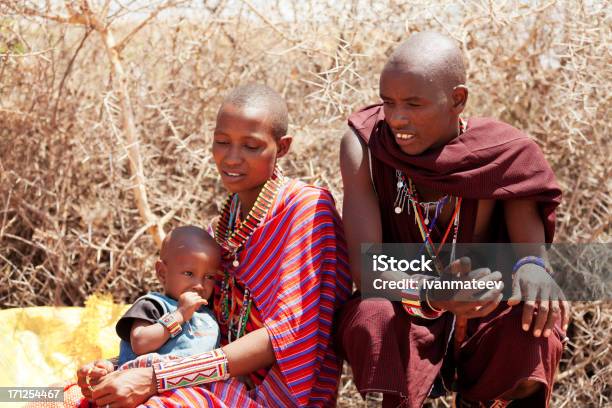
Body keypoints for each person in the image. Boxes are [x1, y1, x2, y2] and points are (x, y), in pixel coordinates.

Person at [71, 83, 352, 407]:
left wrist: (157, 378)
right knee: (63, 397)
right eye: (222, 142)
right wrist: (121, 365)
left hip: (272, 395)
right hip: (208, 377)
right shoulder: (222, 228)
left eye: (251, 146)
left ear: (283, 147)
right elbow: (196, 330)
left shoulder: (306, 209)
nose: (232, 158)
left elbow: (285, 334)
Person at [335, 31, 568, 407]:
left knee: (536, 320)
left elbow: (531, 257)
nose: (396, 118)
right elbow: (366, 270)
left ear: (457, 100)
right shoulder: (365, 144)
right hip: (405, 299)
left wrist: (534, 272)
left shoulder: (502, 154)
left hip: (483, 302)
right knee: (371, 314)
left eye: (413, 104)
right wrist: (435, 293)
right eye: (388, 102)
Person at [115, 225, 221, 368]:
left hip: (194, 382)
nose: (199, 285)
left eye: (209, 277)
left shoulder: (209, 317)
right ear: (162, 273)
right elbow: (140, 343)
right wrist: (180, 315)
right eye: (189, 274)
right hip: (150, 380)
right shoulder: (154, 305)